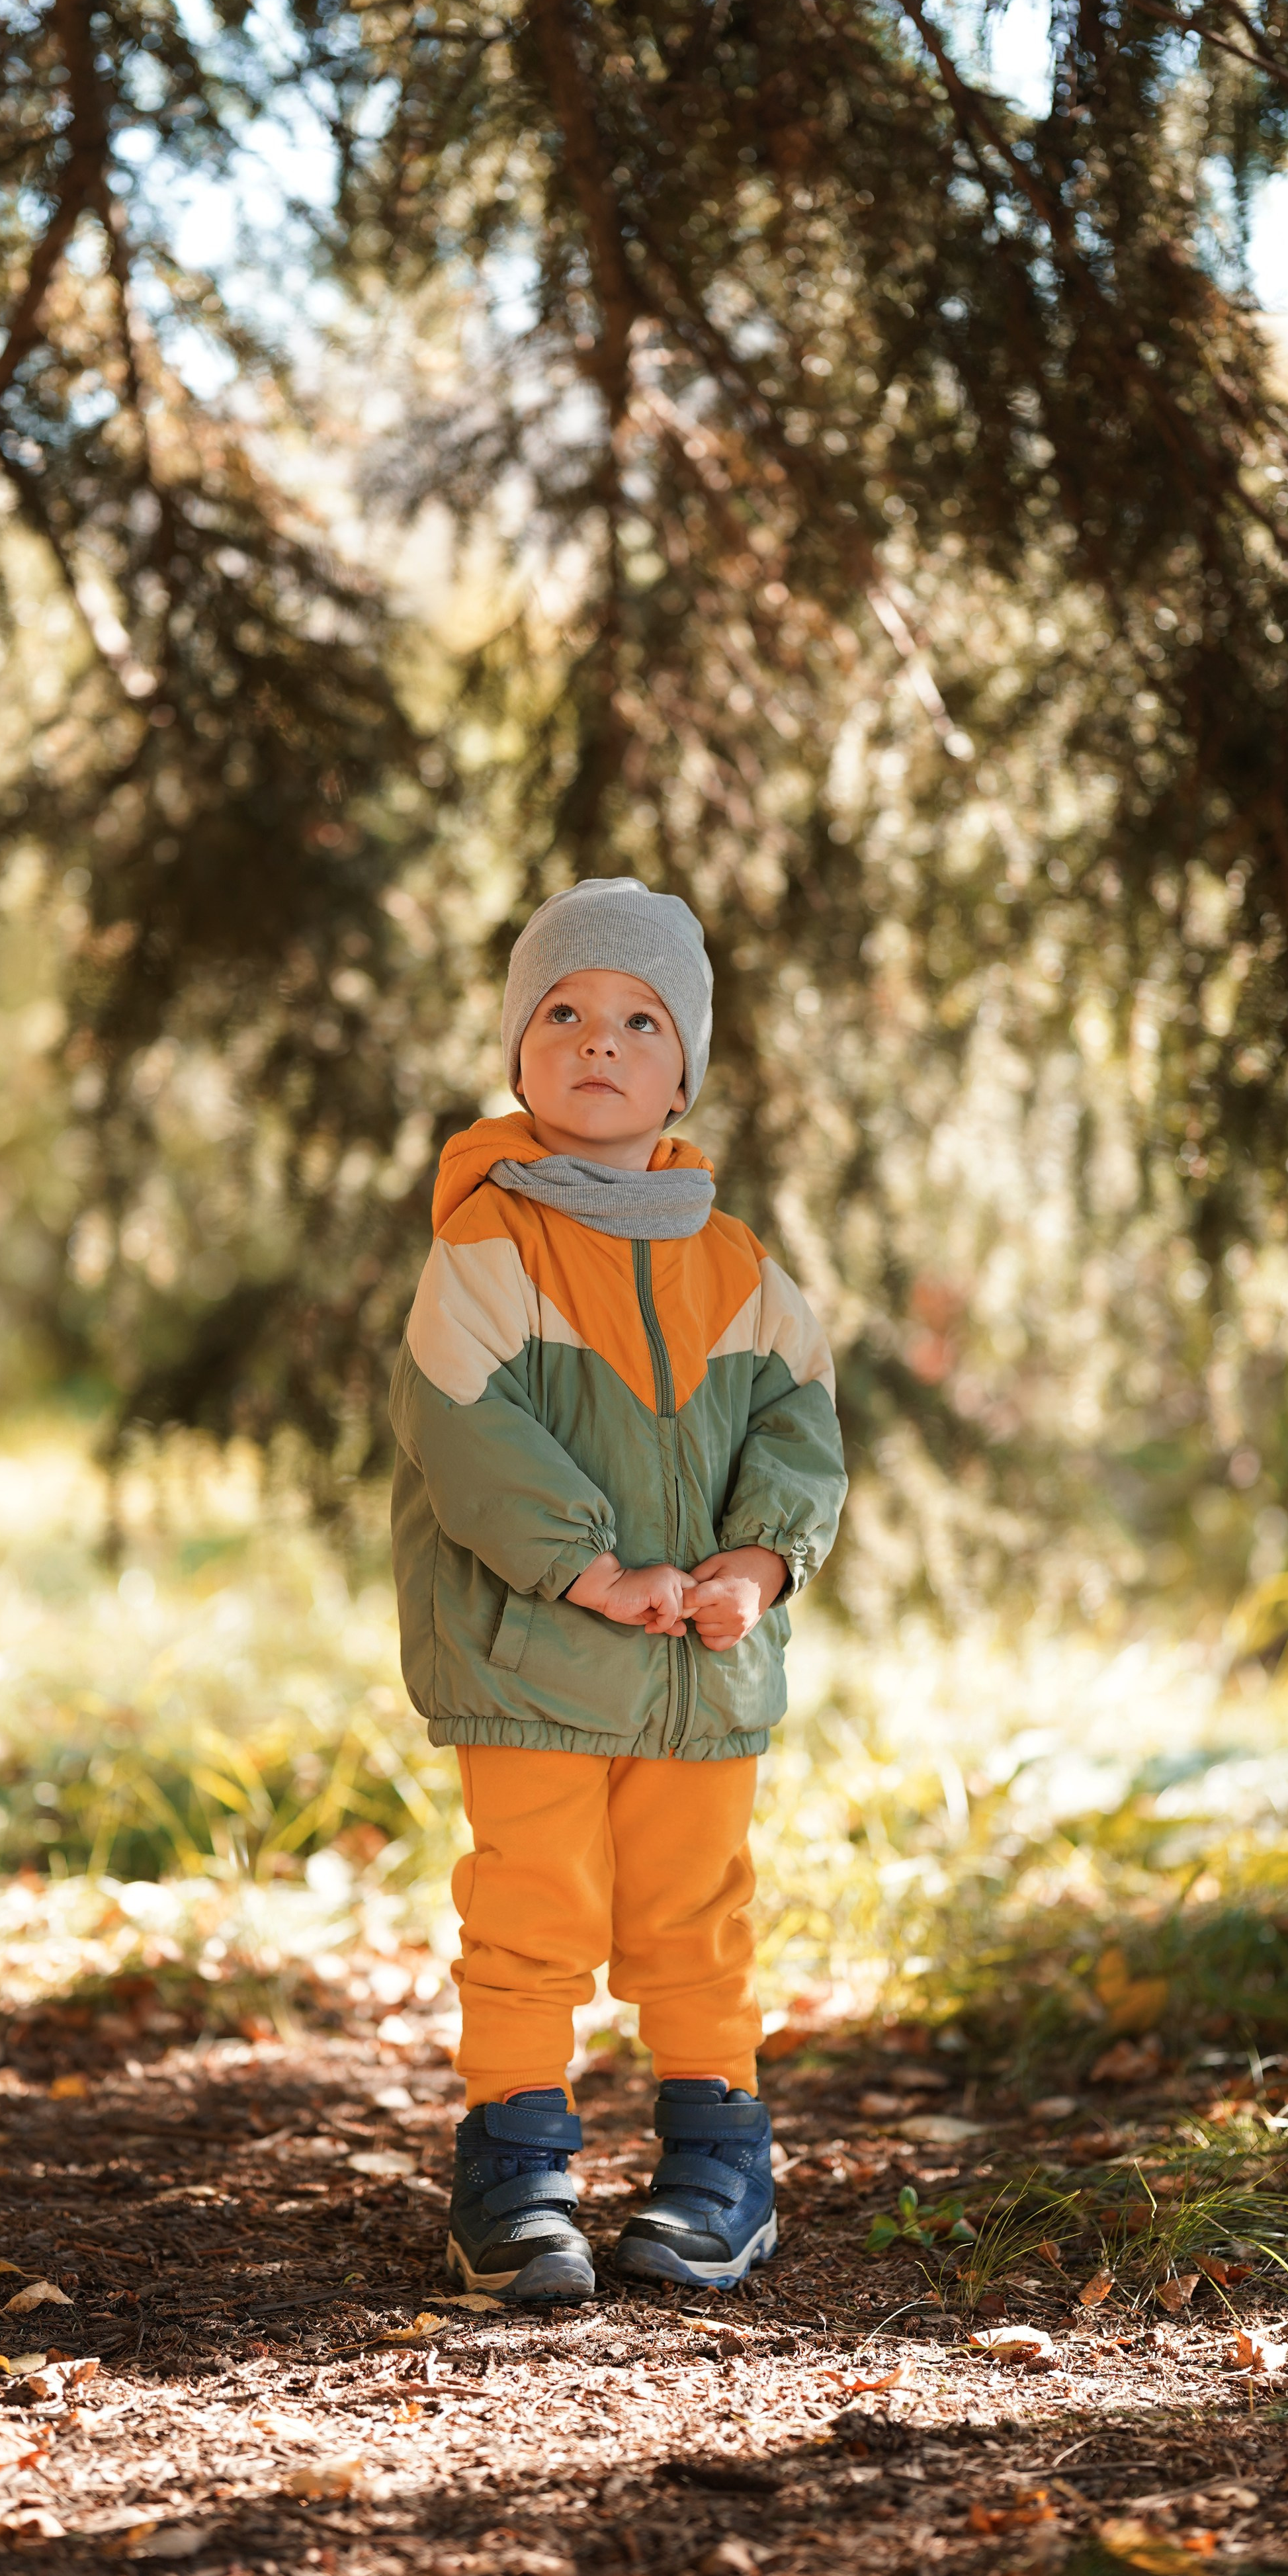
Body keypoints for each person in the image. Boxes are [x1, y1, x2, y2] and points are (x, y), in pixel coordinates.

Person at [389, 878, 847, 2297]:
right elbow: (471, 1434)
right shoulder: (485, 1245)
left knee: (694, 1913)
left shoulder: (738, 1266)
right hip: (531, 1650)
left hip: (700, 1667)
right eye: (565, 1012)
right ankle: (515, 2166)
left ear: (684, 1067)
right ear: (520, 1053)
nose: (601, 1039)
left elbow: (801, 1432)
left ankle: (719, 2164)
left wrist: (758, 1561)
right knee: (529, 1908)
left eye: (640, 1019)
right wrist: (588, 1568)